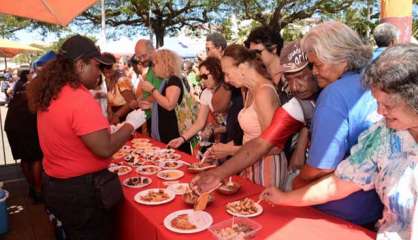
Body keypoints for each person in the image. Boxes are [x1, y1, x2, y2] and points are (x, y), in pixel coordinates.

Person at [260, 43, 418, 240]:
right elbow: (339, 183)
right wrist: (285, 198)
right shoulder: (383, 135)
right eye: (377, 102)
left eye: (387, 105)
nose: (379, 112)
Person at [27, 35, 146, 239]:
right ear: (81, 65)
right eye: (96, 66)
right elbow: (105, 148)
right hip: (80, 193)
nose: (99, 72)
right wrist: (131, 124)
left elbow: (72, 136)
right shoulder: (78, 97)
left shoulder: (53, 92)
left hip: (58, 185)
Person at [191, 41, 320, 190]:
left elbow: (274, 146)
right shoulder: (247, 91)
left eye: (227, 73)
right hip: (250, 163)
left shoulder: (264, 92)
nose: (226, 79)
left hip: (267, 167)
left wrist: (230, 150)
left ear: (243, 68)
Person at [137, 49, 191, 154]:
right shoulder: (167, 81)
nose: (153, 68)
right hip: (168, 133)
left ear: (164, 64)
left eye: (154, 64)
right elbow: (166, 105)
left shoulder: (173, 80)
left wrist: (152, 89)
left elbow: (169, 105)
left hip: (172, 135)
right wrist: (151, 106)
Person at [5, 70, 44, 202]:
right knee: (36, 158)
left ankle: (32, 187)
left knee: (25, 159)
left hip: (12, 127)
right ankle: (38, 191)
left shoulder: (19, 91)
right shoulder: (35, 94)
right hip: (25, 128)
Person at [167, 57, 223, 149]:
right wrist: (182, 139)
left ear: (216, 72)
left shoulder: (229, 91)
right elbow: (200, 122)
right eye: (200, 77)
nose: (202, 80)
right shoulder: (205, 93)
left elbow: (232, 124)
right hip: (219, 140)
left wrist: (214, 130)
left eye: (205, 76)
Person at [244, 25, 289, 103]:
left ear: (274, 49)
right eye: (251, 53)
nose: (254, 57)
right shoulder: (258, 77)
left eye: (258, 52)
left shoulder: (290, 75)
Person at [101, 52, 137, 124]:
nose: (105, 69)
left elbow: (132, 102)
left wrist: (117, 115)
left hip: (127, 118)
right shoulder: (106, 80)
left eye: (108, 66)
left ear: (114, 65)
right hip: (117, 118)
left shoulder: (121, 80)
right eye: (101, 67)